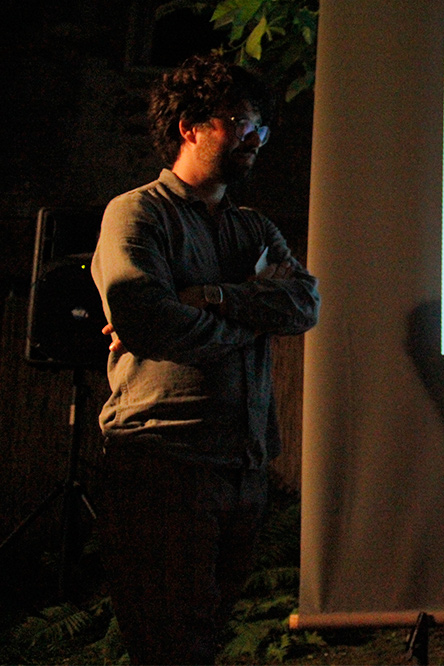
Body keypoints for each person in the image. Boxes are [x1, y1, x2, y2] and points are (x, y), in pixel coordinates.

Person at [90, 54, 319, 665]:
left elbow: (303, 305)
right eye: (240, 122)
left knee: (204, 639)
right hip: (163, 463)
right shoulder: (137, 213)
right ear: (190, 127)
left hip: (243, 466)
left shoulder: (255, 229)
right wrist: (252, 318)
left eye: (260, 128)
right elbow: (149, 320)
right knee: (171, 646)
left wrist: (216, 297)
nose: (255, 139)